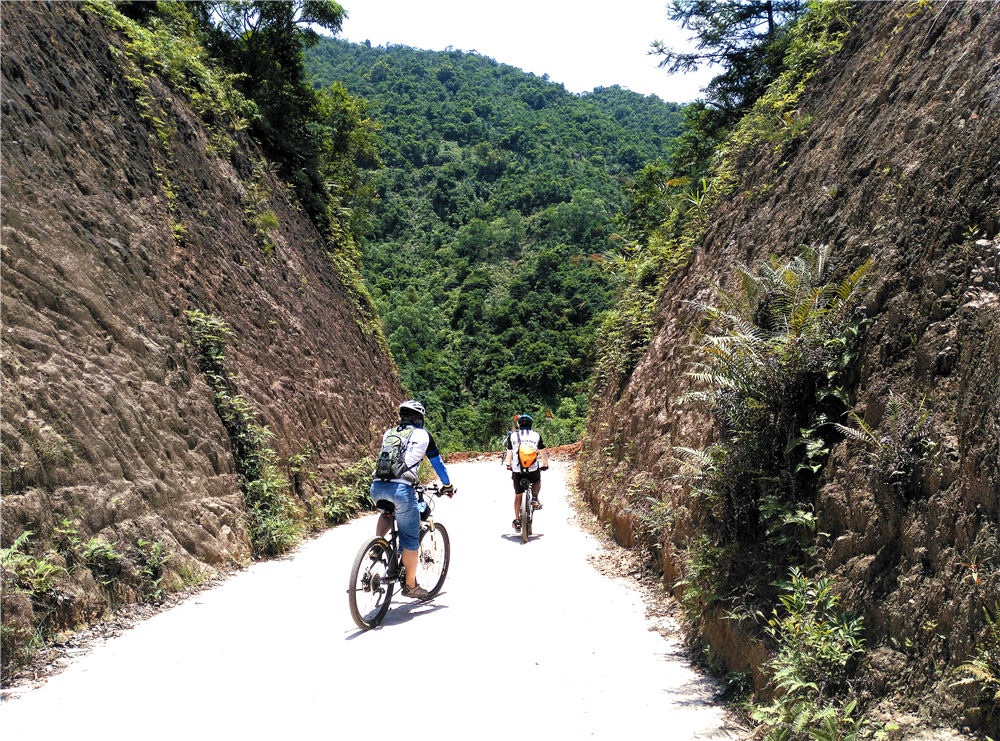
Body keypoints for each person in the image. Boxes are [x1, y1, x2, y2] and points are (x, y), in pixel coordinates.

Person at [370, 400, 455, 600]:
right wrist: (447, 485)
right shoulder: (423, 435)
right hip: (401, 490)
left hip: (377, 487)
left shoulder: (389, 433)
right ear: (419, 418)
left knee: (387, 511)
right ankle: (411, 586)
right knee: (410, 540)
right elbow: (438, 464)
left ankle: (378, 545)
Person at [503, 413, 548, 532]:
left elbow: (509, 452)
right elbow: (543, 451)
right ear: (531, 425)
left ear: (519, 424)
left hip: (517, 470)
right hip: (532, 468)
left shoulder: (513, 436)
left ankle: (517, 520)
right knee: (537, 480)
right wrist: (545, 464)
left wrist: (508, 464)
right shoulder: (536, 435)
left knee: (518, 495)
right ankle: (534, 497)